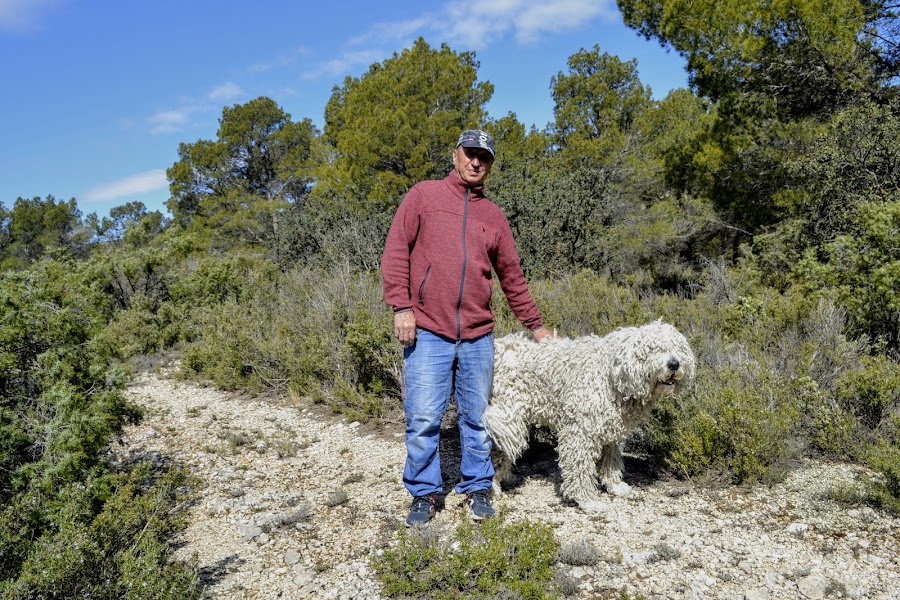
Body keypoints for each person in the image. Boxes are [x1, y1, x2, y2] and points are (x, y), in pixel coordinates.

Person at [381, 129, 553, 526]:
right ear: (455, 155)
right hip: (427, 331)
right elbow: (395, 252)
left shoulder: (493, 216)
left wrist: (537, 326)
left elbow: (512, 276)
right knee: (423, 418)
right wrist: (401, 307)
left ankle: (477, 488)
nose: (476, 162)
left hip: (477, 335)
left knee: (477, 418)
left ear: (491, 165)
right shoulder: (423, 195)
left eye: (485, 157)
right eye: (470, 153)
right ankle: (424, 494)